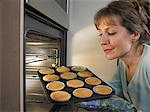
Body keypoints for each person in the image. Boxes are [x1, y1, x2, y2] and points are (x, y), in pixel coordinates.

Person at [76, 0, 150, 112]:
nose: (102, 41)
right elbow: (114, 88)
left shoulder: (148, 64)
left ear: (134, 34)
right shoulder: (122, 61)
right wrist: (82, 89)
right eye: (100, 34)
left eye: (111, 33)